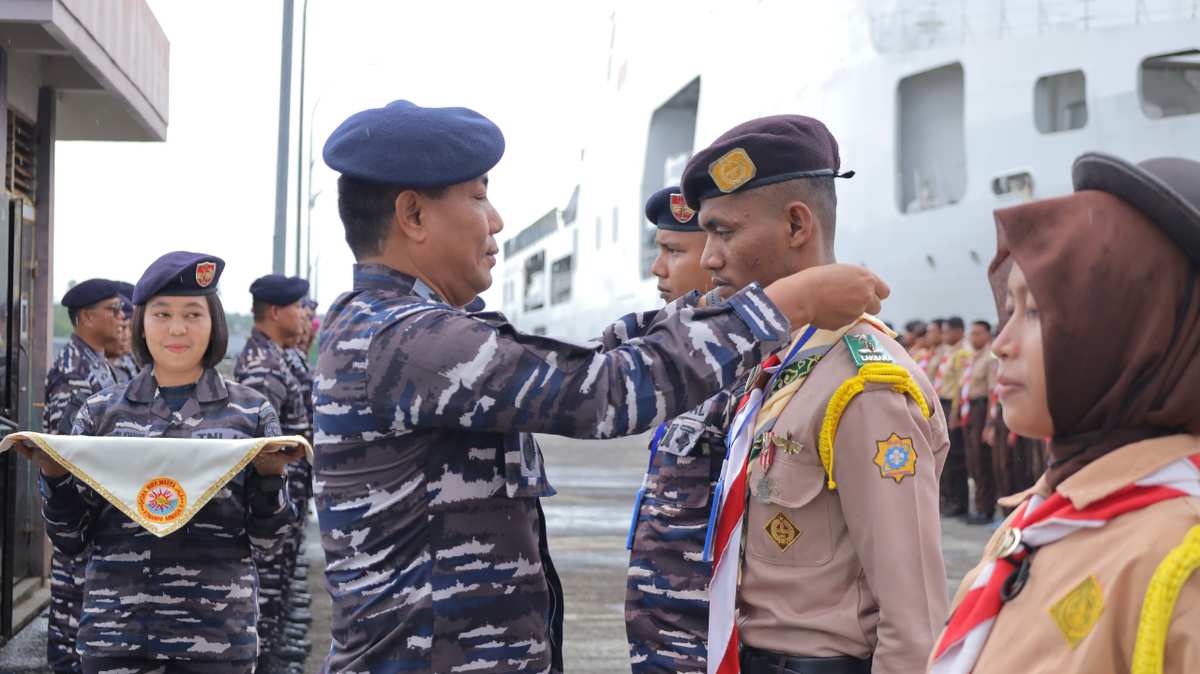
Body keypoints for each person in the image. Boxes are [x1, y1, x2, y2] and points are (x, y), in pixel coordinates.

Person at [313, 99, 889, 674]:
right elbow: (600, 390)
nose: (496, 222)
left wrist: (723, 305)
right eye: (478, 195)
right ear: (412, 215)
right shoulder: (404, 340)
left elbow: (596, 357)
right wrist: (782, 305)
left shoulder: (410, 331)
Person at [680, 114, 949, 674]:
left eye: (723, 231)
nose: (707, 257)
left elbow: (914, 615)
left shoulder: (864, 385)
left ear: (798, 226)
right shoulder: (782, 365)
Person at [929, 153, 1200, 673]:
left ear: (1129, 334)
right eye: (1010, 309)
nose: (1002, 345)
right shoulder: (1049, 513)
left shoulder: (1179, 560)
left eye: (1036, 313)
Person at [21, 251, 304, 674]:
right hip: (115, 637)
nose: (177, 328)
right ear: (140, 322)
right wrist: (55, 475)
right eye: (162, 313)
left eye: (193, 314)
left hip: (216, 641)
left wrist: (268, 478)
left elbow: (270, 542)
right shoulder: (100, 415)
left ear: (215, 324)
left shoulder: (251, 414)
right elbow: (71, 539)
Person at [624, 186, 721, 673]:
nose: (657, 269)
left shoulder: (754, 361)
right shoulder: (672, 343)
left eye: (674, 251)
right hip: (660, 627)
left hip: (708, 633)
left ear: (719, 252)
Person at [42, 278, 124, 674]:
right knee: (70, 627)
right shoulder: (75, 370)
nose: (121, 316)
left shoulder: (98, 363)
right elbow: (64, 454)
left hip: (96, 516)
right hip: (80, 517)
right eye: (113, 309)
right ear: (87, 317)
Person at [233, 274, 313, 673]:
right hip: (273, 499)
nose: (304, 316)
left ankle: (272, 653)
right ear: (277, 311)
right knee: (266, 584)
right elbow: (259, 450)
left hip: (287, 495)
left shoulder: (274, 356)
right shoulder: (263, 367)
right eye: (299, 307)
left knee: (277, 583)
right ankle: (263, 661)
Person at [960, 320, 999, 524]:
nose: (973, 338)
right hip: (971, 408)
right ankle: (980, 506)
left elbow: (993, 391)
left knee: (982, 460)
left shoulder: (990, 356)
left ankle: (986, 509)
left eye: (977, 334)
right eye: (971, 334)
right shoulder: (974, 357)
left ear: (986, 335)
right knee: (973, 460)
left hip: (983, 409)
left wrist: (989, 423)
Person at [934, 316, 973, 517]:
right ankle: (949, 499)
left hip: (953, 406)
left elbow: (961, 386)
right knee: (947, 458)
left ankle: (960, 502)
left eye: (948, 331)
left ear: (958, 331)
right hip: (944, 403)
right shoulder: (950, 352)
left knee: (956, 456)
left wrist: (956, 413)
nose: (944, 335)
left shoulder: (962, 354)